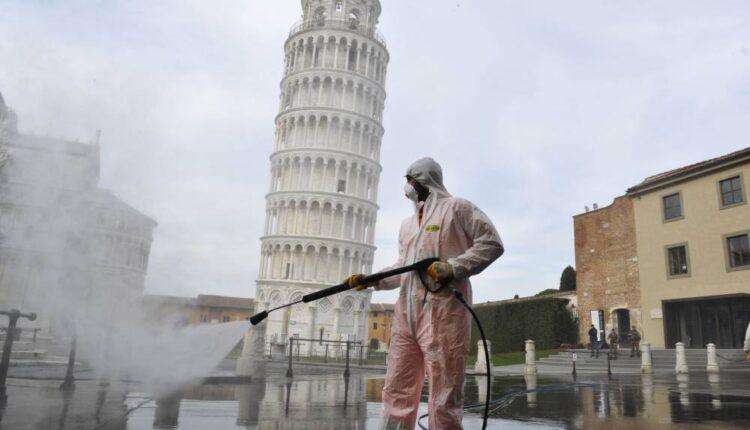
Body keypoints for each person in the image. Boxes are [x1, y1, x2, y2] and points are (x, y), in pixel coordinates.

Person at [344, 157, 504, 430]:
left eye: (411, 180)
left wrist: (453, 267)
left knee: (444, 393)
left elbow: (491, 243)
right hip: (406, 318)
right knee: (397, 389)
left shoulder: (457, 208)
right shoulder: (407, 225)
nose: (407, 187)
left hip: (444, 315)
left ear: (425, 180)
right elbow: (404, 268)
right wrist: (371, 280)